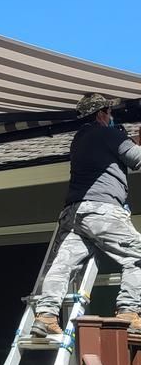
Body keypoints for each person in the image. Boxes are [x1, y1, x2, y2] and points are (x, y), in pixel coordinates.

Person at [32, 93, 141, 338]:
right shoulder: (109, 134)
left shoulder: (80, 139)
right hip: (102, 211)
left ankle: (46, 315)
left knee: (63, 265)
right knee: (138, 255)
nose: (111, 117)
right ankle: (129, 311)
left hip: (75, 213)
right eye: (109, 113)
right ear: (102, 114)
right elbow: (136, 159)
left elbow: (113, 150)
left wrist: (129, 140)